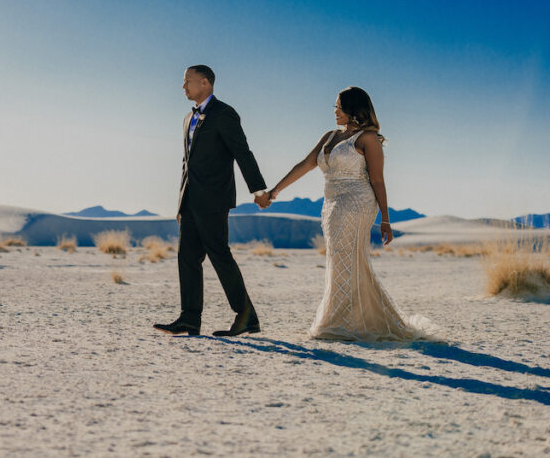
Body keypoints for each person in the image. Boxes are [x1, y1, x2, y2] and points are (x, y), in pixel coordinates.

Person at [267, 86, 435, 341]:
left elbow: (378, 180)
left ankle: (339, 322)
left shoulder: (369, 139)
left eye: (339, 106)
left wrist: (386, 220)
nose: (335, 111)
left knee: (347, 259)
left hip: (357, 202)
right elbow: (305, 164)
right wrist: (274, 191)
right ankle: (352, 319)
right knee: (341, 259)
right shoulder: (329, 136)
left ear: (353, 109)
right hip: (331, 202)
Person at [154, 65, 271, 338]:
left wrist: (258, 189)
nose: (183, 87)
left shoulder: (224, 114)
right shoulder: (187, 118)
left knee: (219, 255)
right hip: (191, 201)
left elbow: (242, 152)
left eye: (188, 82)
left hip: (214, 199)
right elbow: (187, 164)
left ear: (205, 83)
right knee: (187, 258)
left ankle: (247, 316)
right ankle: (189, 319)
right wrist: (181, 202)